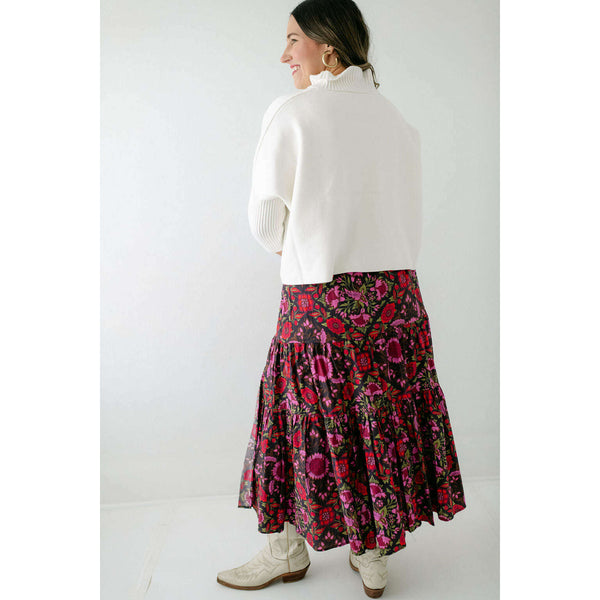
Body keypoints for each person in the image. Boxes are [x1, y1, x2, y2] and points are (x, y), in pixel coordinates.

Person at [217, 1, 467, 596]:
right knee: (375, 419)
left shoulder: (292, 112)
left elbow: (265, 218)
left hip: (321, 299)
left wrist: (293, 247)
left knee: (299, 417)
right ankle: (372, 554)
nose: (284, 55)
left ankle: (286, 550)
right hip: (395, 301)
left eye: (293, 40)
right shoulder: (395, 118)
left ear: (328, 45)